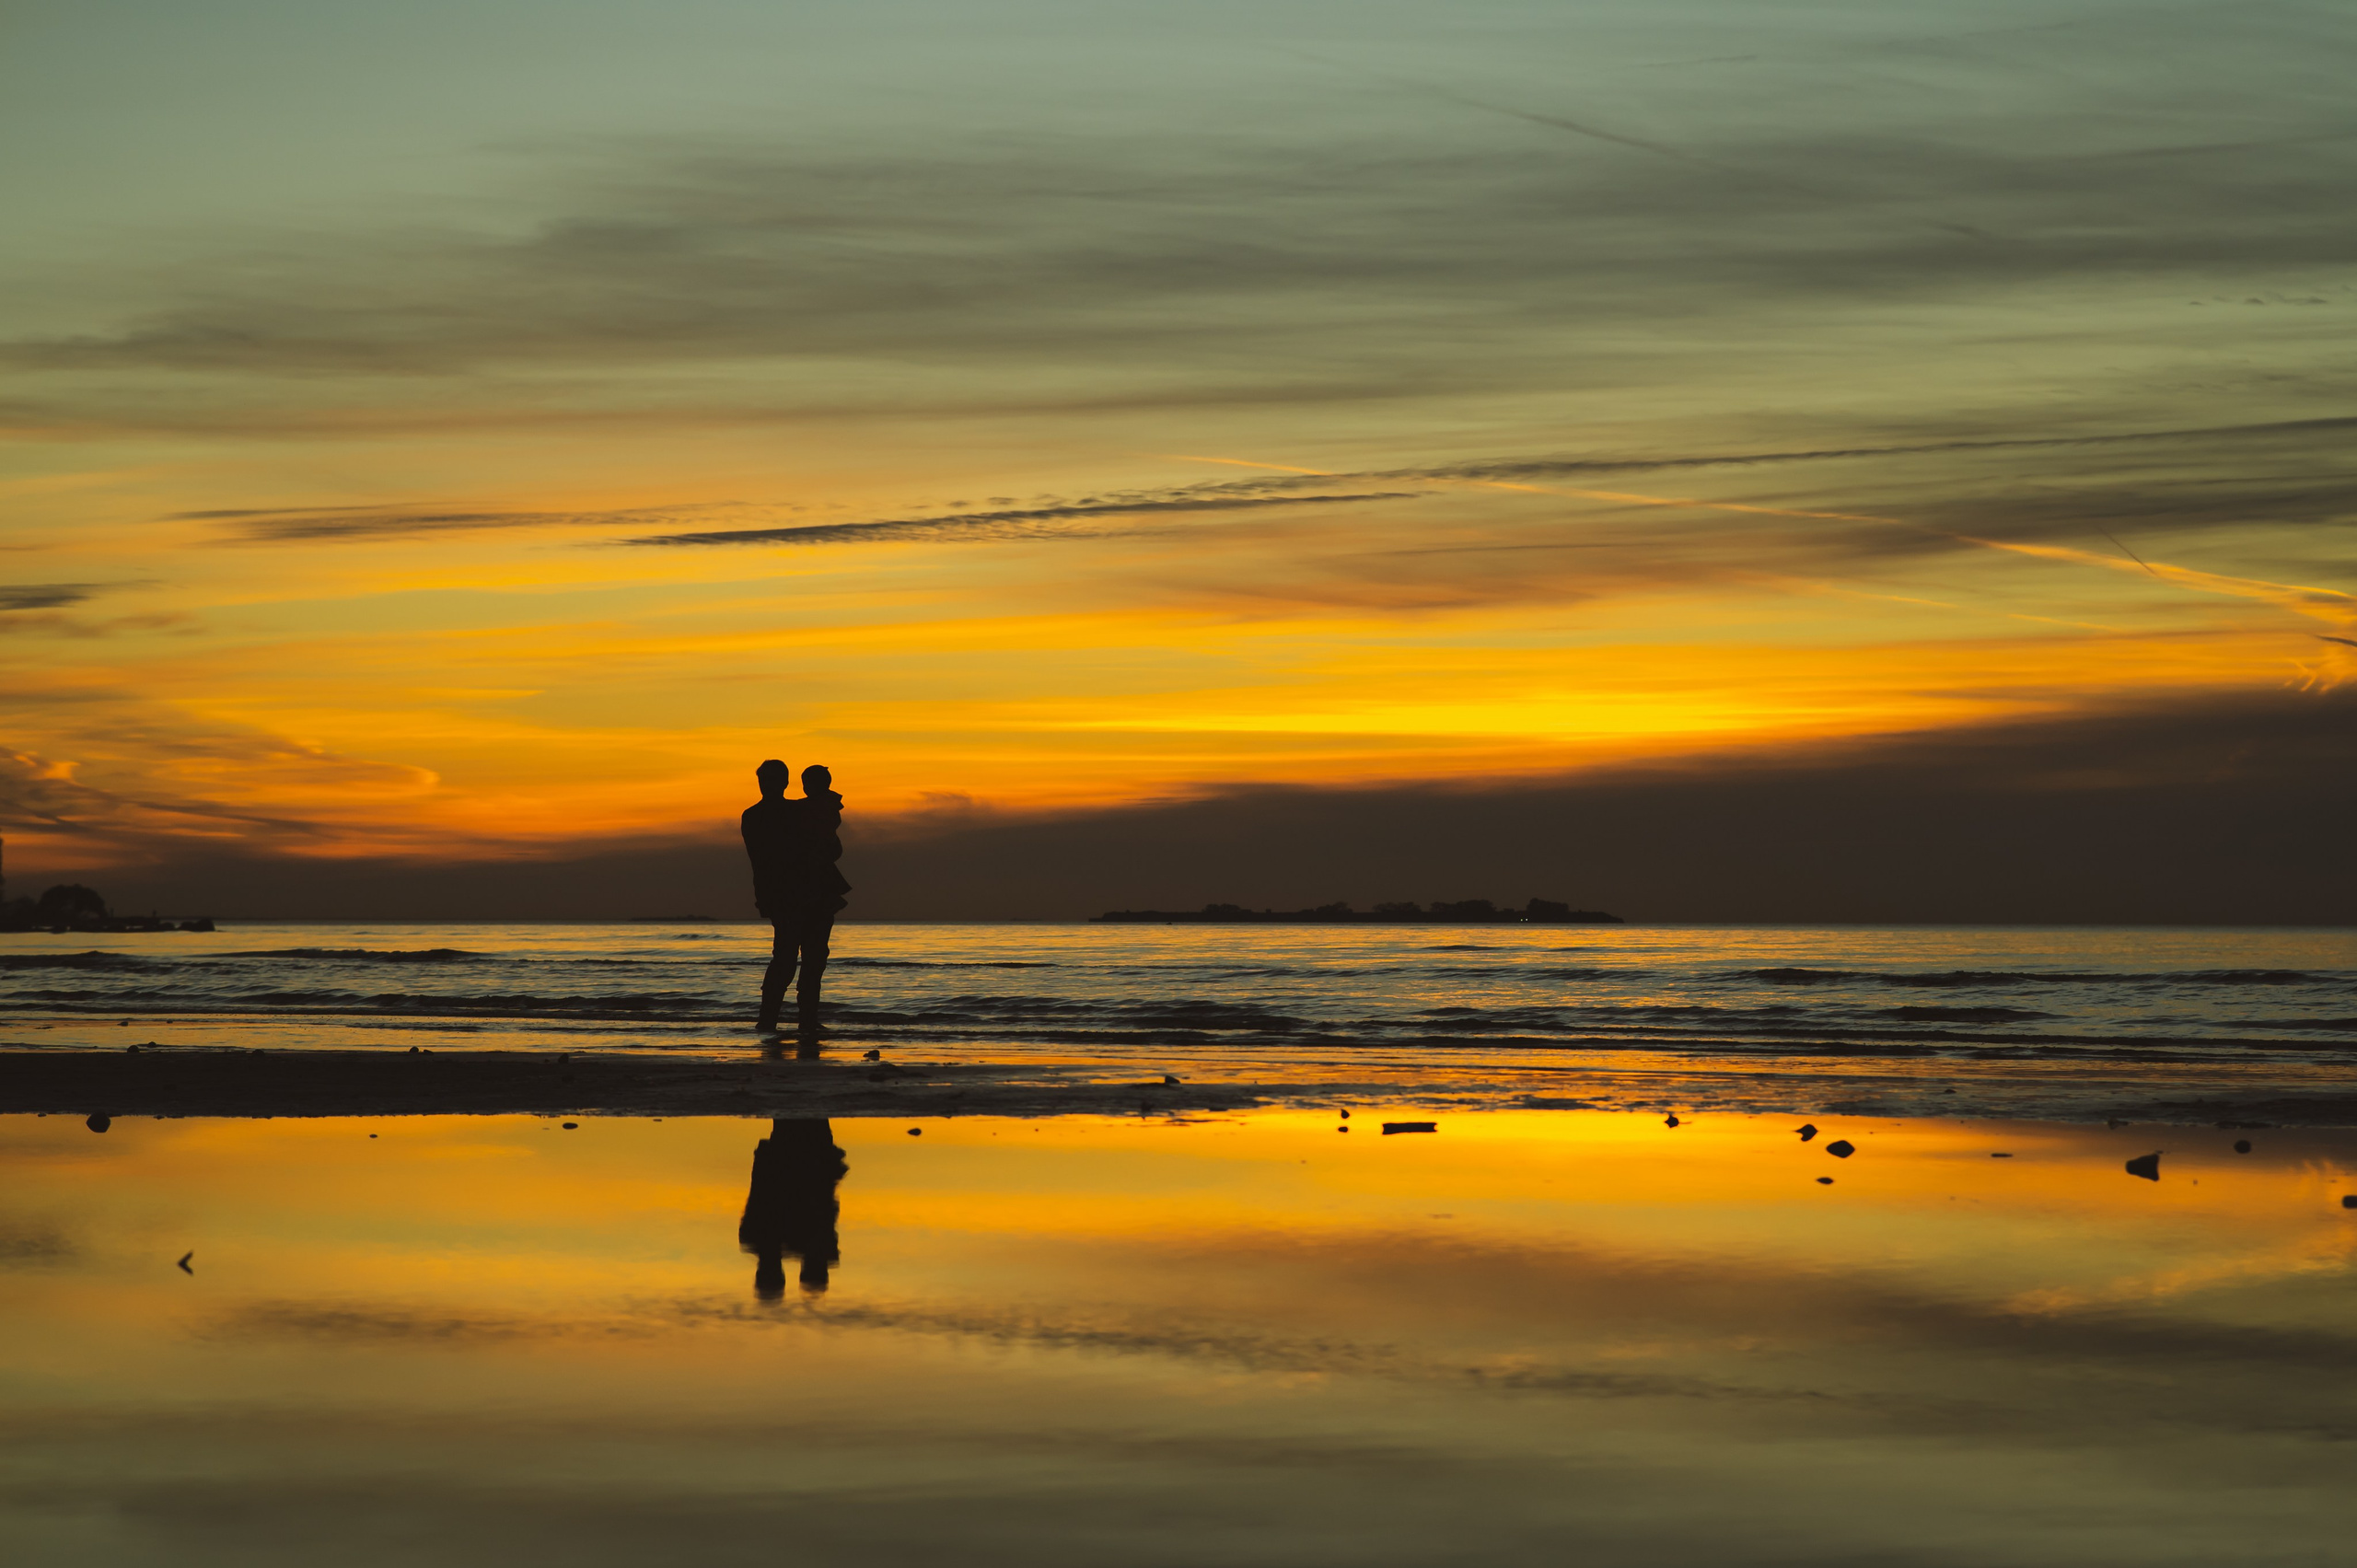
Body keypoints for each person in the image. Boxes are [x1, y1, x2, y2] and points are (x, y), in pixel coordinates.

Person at [741, 760, 851, 1034]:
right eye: (767, 780)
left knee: (805, 959)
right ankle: (778, 1021)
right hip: (790, 897)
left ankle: (793, 1021)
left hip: (802, 895)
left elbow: (828, 840)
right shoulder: (774, 814)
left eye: (772, 780)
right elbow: (765, 859)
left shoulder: (787, 811)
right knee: (793, 959)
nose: (769, 785)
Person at [737, 1118, 847, 1297]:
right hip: (805, 1164)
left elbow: (758, 1194)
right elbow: (826, 1212)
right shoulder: (754, 1238)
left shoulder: (754, 1238)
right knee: (806, 1117)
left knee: (797, 1119)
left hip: (800, 1164)